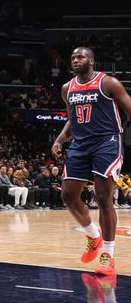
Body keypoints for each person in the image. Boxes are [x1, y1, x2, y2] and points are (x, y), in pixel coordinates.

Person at [52, 47, 131, 277]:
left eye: (81, 56)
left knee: (104, 197)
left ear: (92, 60)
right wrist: (59, 139)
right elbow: (72, 119)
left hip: (106, 142)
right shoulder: (68, 88)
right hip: (80, 144)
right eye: (73, 57)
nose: (76, 60)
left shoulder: (109, 83)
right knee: (68, 195)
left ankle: (108, 255)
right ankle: (93, 236)